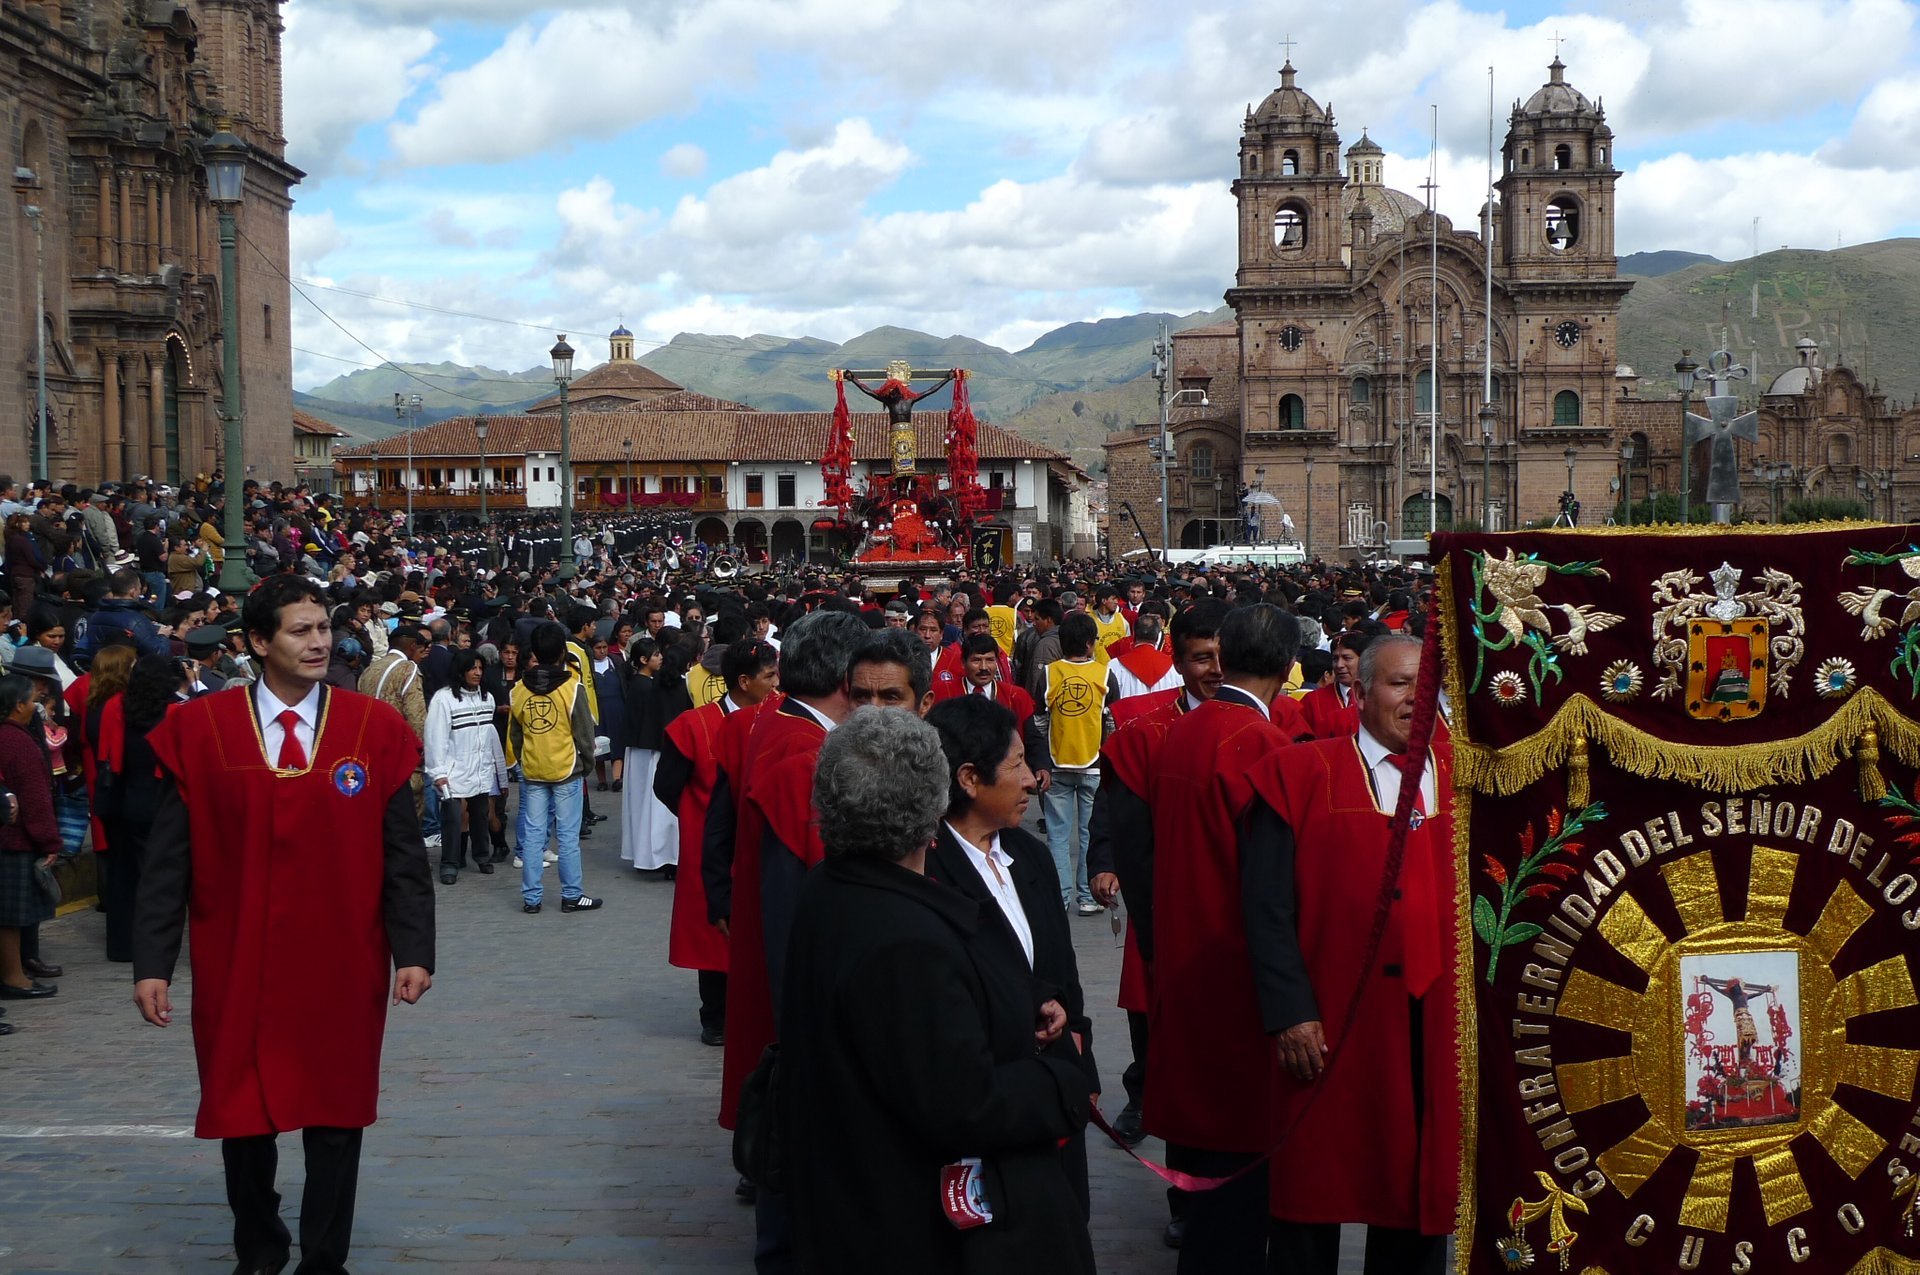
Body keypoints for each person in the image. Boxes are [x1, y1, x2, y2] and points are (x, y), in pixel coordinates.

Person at [131, 574, 436, 1275]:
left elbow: (402, 857)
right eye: (301, 630)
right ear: (259, 641)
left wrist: (413, 949)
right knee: (243, 1116)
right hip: (237, 961)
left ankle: (325, 1257)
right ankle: (259, 1248)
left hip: (342, 961)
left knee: (337, 1116)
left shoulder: (373, 728)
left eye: (324, 627)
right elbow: (166, 864)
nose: (319, 641)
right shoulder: (200, 730)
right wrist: (152, 961)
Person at [779, 707, 1094, 1275]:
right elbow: (964, 1102)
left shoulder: (832, 889)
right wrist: (1062, 1077)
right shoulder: (906, 935)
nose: (1027, 779)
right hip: (905, 1217)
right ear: (936, 803)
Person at [1242, 634, 1456, 1274]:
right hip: (1329, 1024)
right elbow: (1264, 908)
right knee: (1313, 1194)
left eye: (1426, 685)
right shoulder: (1299, 773)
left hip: (1432, 1027)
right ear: (1359, 693)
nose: (1415, 700)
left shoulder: (1464, 777)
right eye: (1398, 685)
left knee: (1416, 1195)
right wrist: (1289, 1013)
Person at [707, 607, 866, 1270]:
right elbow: (802, 902)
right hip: (799, 998)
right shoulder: (803, 755)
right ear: (842, 678)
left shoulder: (778, 728)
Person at [1144, 603, 1299, 1274]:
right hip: (1237, 981)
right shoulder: (1261, 745)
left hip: (1185, 962)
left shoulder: (1185, 729)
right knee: (1239, 1186)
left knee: (1208, 1174)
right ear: (1289, 666)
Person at [924, 694, 1097, 1214]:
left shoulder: (1031, 856)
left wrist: (1081, 1073)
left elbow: (1063, 974)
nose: (1031, 780)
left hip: (1051, 1095)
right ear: (969, 779)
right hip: (983, 1107)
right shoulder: (927, 871)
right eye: (1017, 763)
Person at [1086, 598, 1228, 1198]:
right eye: (1200, 658)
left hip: (1223, 911)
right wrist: (1104, 863)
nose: (1213, 669)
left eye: (1221, 656)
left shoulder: (1264, 720)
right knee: (1149, 1019)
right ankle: (1142, 1096)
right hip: (1158, 897)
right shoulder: (1147, 724)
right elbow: (1113, 809)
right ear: (1181, 657)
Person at [653, 637, 778, 1046]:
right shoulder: (695, 725)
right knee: (713, 935)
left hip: (762, 845)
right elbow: (667, 786)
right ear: (743, 681)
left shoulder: (779, 718)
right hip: (711, 848)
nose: (776, 684)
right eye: (769, 676)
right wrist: (699, 822)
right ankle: (715, 1018)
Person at [507, 621, 604, 914]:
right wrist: (586, 764)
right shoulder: (572, 688)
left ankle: (532, 898)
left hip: (534, 769)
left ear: (533, 652)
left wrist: (525, 760)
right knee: (567, 836)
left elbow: (515, 734)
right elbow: (585, 735)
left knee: (534, 837)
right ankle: (572, 895)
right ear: (562, 652)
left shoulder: (518, 691)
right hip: (567, 769)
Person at [424, 649, 509, 885]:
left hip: (480, 771)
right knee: (452, 819)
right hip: (453, 772)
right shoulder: (444, 699)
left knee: (480, 816)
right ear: (461, 671)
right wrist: (438, 772)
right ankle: (449, 863)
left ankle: (482, 856)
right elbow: (435, 738)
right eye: (473, 668)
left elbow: (489, 737)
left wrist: (496, 771)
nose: (477, 673)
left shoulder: (487, 699)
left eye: (480, 668)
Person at [1040, 612, 1105, 914]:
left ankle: (1059, 896)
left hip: (1056, 763)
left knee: (1057, 835)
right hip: (1094, 764)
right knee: (1089, 834)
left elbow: (1039, 722)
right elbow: (1114, 721)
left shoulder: (1049, 674)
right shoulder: (1105, 675)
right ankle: (1088, 896)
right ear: (1091, 644)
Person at [0, 674, 58, 1008]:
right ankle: (13, 977)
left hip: (11, 836)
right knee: (11, 917)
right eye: (31, 700)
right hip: (16, 840)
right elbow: (35, 798)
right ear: (18, 705)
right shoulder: (18, 742)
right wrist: (49, 840)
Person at [620, 636, 679, 875]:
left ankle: (644, 852)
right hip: (649, 750)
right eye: (655, 655)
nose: (660, 658)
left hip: (638, 749)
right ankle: (654, 855)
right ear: (643, 660)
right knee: (651, 805)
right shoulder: (647, 686)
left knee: (641, 804)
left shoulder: (639, 683)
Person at [1300, 631, 1367, 739]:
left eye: (1347, 658)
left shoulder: (1378, 697)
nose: (1339, 665)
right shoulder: (1313, 700)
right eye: (1335, 659)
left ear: (1364, 659)